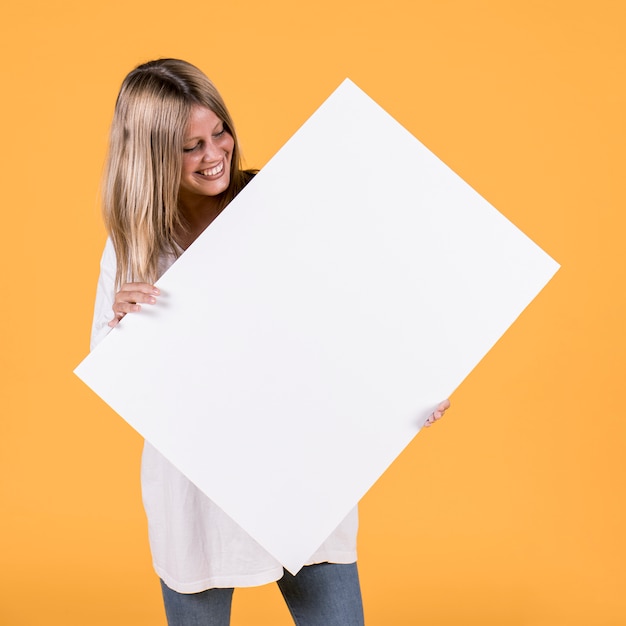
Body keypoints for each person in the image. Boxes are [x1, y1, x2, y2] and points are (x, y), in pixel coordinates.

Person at [90, 58, 450, 626]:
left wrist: (406, 385)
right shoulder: (135, 248)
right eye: (190, 147)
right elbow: (117, 377)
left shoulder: (272, 211)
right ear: (152, 156)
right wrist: (121, 330)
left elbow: (342, 320)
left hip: (301, 476)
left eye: (219, 133)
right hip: (197, 497)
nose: (214, 155)